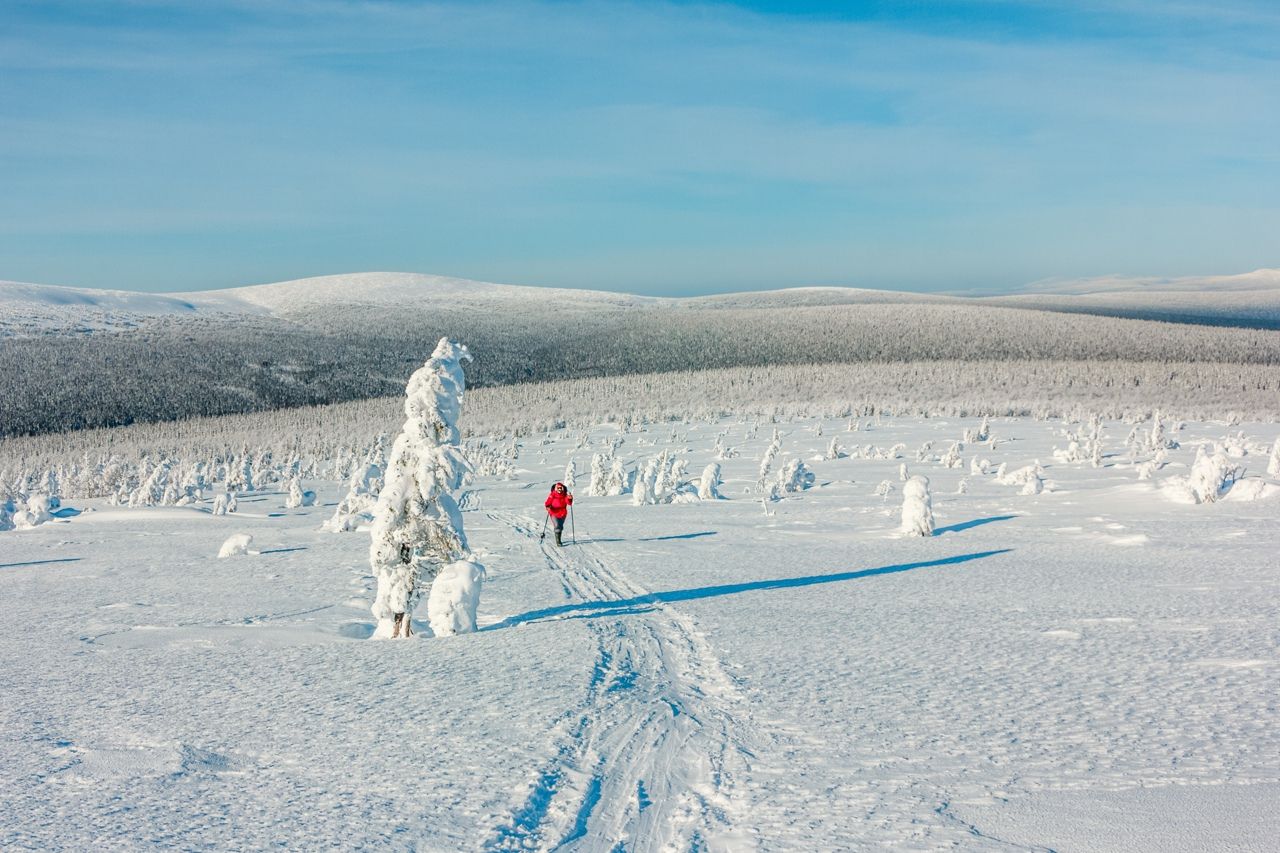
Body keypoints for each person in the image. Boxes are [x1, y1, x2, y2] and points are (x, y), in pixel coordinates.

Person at [544, 481, 573, 546]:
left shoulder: (565, 495)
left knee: (560, 526)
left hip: (563, 513)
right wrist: (548, 507)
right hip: (553, 512)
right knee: (557, 525)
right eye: (558, 488)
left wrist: (570, 498)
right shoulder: (552, 495)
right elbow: (547, 502)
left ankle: (559, 538)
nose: (559, 489)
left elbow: (569, 503)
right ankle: (558, 541)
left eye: (560, 488)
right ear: (556, 488)